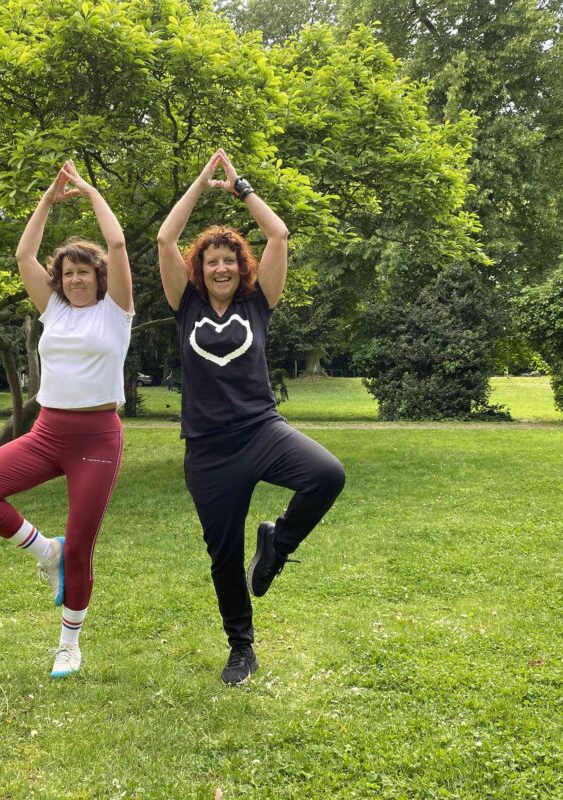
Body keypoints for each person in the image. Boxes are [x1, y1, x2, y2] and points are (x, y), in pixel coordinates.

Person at [157, 149, 346, 685]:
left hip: (261, 430)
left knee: (327, 475)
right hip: (208, 449)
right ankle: (242, 647)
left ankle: (276, 547)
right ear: (201, 267)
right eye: (212, 260)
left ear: (243, 266)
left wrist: (239, 186)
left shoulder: (259, 301)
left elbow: (280, 235)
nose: (221, 267)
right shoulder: (185, 303)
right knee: (222, 554)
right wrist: (199, 183)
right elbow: (165, 240)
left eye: (230, 259)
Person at [0, 161, 133, 679]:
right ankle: (41, 548)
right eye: (68, 273)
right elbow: (23, 254)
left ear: (99, 277)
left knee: (82, 547)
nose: (76, 279)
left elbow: (118, 247)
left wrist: (94, 193)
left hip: (97, 437)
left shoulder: (116, 310)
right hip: (47, 433)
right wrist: (47, 202)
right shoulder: (53, 310)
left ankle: (69, 644)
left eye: (84, 272)